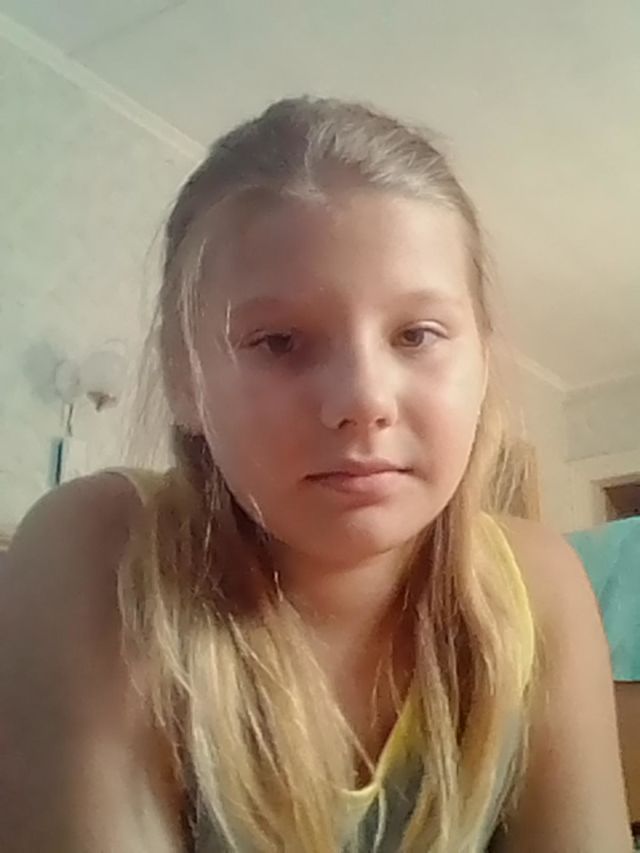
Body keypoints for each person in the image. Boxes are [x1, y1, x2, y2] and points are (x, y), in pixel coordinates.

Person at [0, 97, 632, 852]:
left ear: (481, 362)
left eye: (416, 334)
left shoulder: (537, 587)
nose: (364, 400)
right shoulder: (103, 552)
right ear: (183, 375)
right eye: (279, 341)